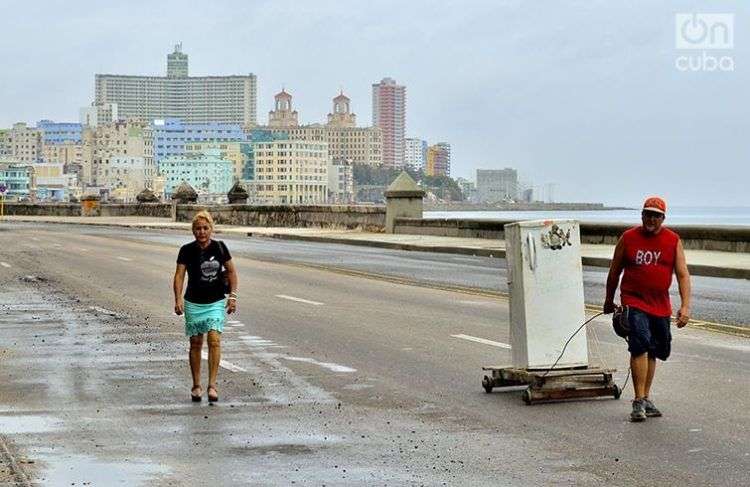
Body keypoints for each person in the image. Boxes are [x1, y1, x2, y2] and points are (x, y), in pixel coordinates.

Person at [604, 196, 691, 422]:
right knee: (640, 344)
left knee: (654, 350)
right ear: (641, 215)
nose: (651, 219)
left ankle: (646, 397)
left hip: (660, 305)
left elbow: (682, 274)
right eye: (648, 214)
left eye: (656, 215)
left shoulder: (672, 240)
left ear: (663, 218)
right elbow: (614, 272)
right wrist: (608, 299)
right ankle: (638, 401)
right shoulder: (628, 238)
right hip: (634, 300)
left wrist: (685, 305)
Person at [173, 210, 238, 403]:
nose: (202, 232)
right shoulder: (186, 250)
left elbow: (233, 272)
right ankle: (196, 385)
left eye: (205, 228)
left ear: (211, 229)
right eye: (198, 228)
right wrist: (177, 299)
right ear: (193, 231)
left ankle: (212, 385)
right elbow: (179, 276)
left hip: (216, 301)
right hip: (193, 301)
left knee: (214, 339)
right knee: (195, 343)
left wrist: (232, 297)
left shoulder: (220, 247)